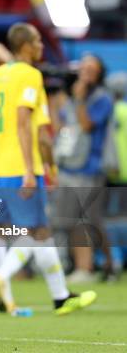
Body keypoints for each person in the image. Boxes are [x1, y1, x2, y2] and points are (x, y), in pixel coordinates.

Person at [0, 22, 97, 317]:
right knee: (37, 231)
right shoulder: (30, 75)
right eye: (37, 41)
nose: (41, 46)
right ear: (25, 45)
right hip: (20, 167)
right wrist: (39, 168)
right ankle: (9, 278)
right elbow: (27, 125)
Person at [54, 55, 114, 283]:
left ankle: (87, 268)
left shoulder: (102, 99)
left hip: (91, 167)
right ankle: (105, 265)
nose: (86, 72)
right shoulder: (71, 97)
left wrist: (78, 101)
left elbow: (87, 125)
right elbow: (62, 126)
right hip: (70, 165)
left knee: (87, 220)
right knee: (77, 219)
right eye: (84, 67)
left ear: (99, 74)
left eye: (92, 69)